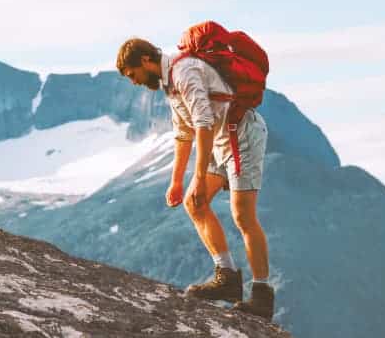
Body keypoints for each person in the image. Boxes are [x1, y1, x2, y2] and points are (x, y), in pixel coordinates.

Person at [116, 37, 274, 320]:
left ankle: (262, 296)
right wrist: (177, 181)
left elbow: (203, 124)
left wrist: (199, 177)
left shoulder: (184, 71)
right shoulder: (169, 82)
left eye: (132, 75)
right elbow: (184, 133)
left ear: (144, 61)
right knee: (194, 203)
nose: (134, 82)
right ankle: (226, 278)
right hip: (220, 141)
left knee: (243, 216)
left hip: (242, 138)